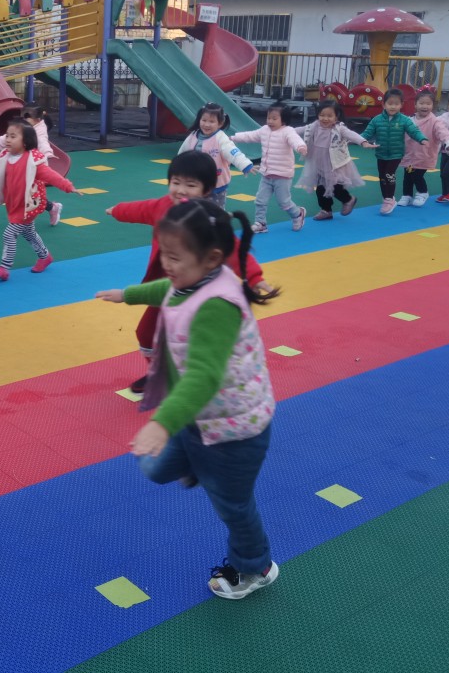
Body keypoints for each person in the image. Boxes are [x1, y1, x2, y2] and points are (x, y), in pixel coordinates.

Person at [96, 199, 278, 600]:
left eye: (175, 258)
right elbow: (165, 289)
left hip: (233, 430)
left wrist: (162, 424)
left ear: (211, 258)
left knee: (233, 506)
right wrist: (127, 295)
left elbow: (204, 376)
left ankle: (256, 567)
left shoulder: (217, 305)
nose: (166, 265)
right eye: (164, 254)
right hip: (198, 418)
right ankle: (197, 465)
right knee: (155, 469)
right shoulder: (191, 281)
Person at [106, 151, 277, 393]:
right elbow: (141, 209)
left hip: (199, 292)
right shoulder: (163, 207)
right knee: (146, 333)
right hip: (166, 288)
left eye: (190, 185)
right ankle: (159, 374)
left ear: (207, 190)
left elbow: (232, 248)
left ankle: (195, 378)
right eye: (176, 182)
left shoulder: (206, 219)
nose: (181, 190)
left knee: (190, 340)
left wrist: (255, 276)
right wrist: (118, 210)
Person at [0, 120, 78, 279]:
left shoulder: (33, 161)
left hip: (29, 204)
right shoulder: (4, 158)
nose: (7, 139)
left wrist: (68, 186)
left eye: (13, 137)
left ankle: (4, 268)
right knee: (29, 233)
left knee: (9, 234)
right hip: (14, 204)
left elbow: (51, 175)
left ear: (25, 141)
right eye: (7, 136)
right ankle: (45, 257)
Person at [231, 103, 308, 233]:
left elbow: (295, 140)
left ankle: (298, 214)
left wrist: (301, 147)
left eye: (274, 118)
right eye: (268, 118)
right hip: (266, 174)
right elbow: (250, 136)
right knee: (260, 200)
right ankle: (260, 223)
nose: (270, 121)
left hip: (282, 175)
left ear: (283, 120)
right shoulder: (264, 130)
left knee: (284, 202)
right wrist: (233, 138)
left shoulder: (287, 131)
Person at [294, 100, 377, 219]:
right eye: (322, 115)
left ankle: (348, 199)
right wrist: (284, 132)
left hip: (334, 163)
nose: (325, 119)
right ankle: (326, 210)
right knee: (320, 188)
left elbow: (351, 134)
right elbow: (300, 129)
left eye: (329, 116)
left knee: (334, 186)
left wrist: (363, 142)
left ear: (336, 117)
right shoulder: (314, 126)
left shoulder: (339, 128)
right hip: (319, 163)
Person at [0, 106, 65, 226]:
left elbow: (43, 143)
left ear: (37, 119)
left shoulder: (39, 131)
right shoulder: (21, 127)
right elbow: (4, 138)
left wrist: (48, 153)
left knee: (32, 194)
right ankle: (50, 208)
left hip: (33, 167)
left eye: (27, 118)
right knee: (23, 192)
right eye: (23, 117)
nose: (24, 120)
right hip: (20, 163)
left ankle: (49, 209)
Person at [361, 89, 428, 215]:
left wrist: (422, 139)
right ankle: (387, 198)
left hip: (396, 154)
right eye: (390, 103)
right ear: (384, 104)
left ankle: (389, 199)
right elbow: (367, 133)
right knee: (382, 177)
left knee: (389, 174)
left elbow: (414, 131)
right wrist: (359, 140)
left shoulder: (404, 120)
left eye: (396, 104)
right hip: (381, 153)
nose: (393, 106)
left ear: (401, 105)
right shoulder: (376, 120)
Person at [177, 102, 253, 207]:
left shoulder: (221, 138)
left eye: (211, 121)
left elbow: (233, 152)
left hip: (216, 184)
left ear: (220, 123)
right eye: (204, 120)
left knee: (215, 210)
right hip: (195, 182)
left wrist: (245, 164)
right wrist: (178, 166)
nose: (206, 124)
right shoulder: (194, 135)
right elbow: (183, 153)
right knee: (194, 208)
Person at [397, 92, 449, 207]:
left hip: (424, 154)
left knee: (416, 175)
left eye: (428, 104)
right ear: (415, 104)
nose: (425, 106)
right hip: (409, 153)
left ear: (433, 105)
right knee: (407, 176)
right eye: (421, 103)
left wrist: (448, 141)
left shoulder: (435, 121)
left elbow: (442, 132)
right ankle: (407, 195)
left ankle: (423, 192)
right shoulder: (409, 119)